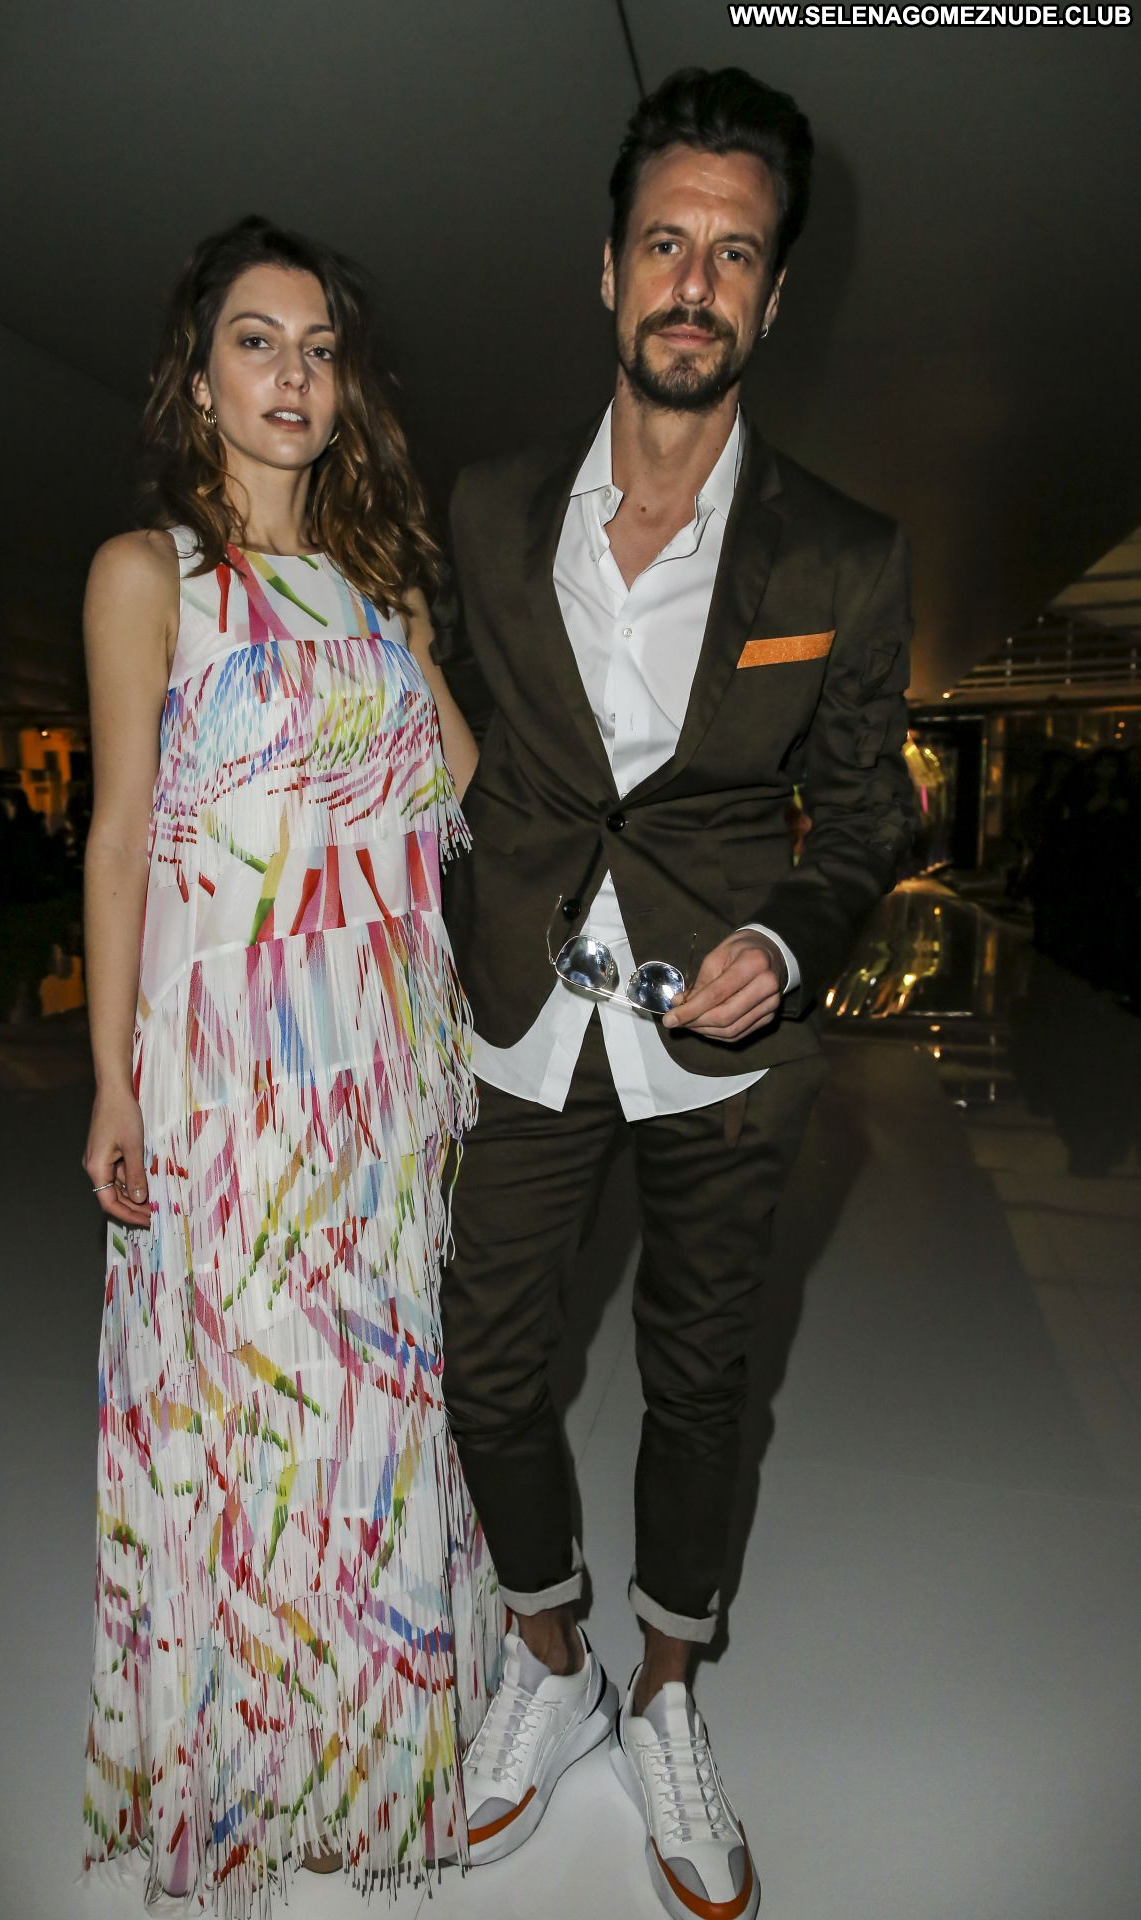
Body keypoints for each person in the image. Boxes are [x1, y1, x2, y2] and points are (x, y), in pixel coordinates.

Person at [437, 68, 916, 1920]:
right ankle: (548, 1660)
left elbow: (867, 812)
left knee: (704, 1383)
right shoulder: (491, 512)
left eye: (735, 254)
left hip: (728, 1052)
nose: (694, 283)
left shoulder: (844, 552)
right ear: (609, 269)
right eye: (666, 244)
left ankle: (663, 1695)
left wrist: (786, 940)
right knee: (490, 1365)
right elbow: (440, 744)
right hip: (525, 1015)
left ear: (774, 297)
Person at [79, 215, 501, 1909]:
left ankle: (364, 1755)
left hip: (379, 1071)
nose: (292, 375)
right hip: (228, 1074)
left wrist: (418, 648)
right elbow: (120, 838)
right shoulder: (148, 576)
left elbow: (457, 791)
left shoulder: (381, 583)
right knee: (245, 1420)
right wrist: (113, 1081)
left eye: (320, 349)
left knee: (369, 1417)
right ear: (198, 377)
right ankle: (242, 1774)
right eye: (256, 341)